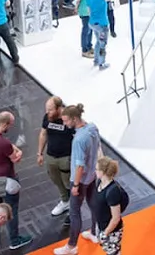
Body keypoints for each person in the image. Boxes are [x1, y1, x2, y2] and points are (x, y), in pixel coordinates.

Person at [54, 104, 102, 255]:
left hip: (80, 180)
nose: (64, 124)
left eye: (66, 120)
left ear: (74, 119)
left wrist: (75, 185)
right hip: (92, 176)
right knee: (93, 204)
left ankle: (71, 246)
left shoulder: (79, 140)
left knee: (74, 213)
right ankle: (95, 232)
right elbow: (98, 147)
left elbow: (79, 165)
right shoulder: (92, 128)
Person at [0, 111, 33, 250]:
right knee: (11, 210)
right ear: (5, 124)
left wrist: (11, 147)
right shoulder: (3, 143)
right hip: (7, 178)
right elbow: (15, 158)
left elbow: (8, 145)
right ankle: (14, 240)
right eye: (10, 125)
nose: (10, 127)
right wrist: (20, 152)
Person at [37, 96, 74, 219]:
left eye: (50, 110)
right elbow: (43, 134)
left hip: (65, 157)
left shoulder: (68, 119)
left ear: (59, 108)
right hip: (51, 156)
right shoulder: (48, 117)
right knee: (56, 179)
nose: (47, 112)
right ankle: (65, 201)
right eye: (46, 109)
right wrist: (40, 153)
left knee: (68, 182)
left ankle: (74, 205)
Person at [93, 157, 127, 255]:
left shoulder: (112, 192)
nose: (95, 171)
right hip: (102, 225)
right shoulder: (99, 182)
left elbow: (116, 218)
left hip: (111, 231)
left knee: (113, 252)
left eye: (96, 169)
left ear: (103, 172)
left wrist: (105, 233)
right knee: (108, 250)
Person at [86, 0, 121, 70]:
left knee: (98, 41)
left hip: (92, 23)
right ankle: (101, 63)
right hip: (102, 25)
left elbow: (89, 11)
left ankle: (96, 60)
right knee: (102, 44)